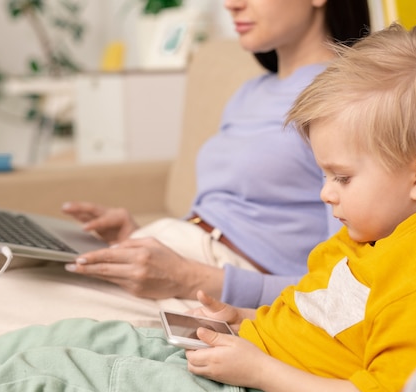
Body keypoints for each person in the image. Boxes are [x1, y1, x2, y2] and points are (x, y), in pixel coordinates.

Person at [0, 14, 416, 392]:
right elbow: (326, 317)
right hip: (239, 356)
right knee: (84, 339)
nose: (326, 194)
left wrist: (258, 368)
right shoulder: (368, 235)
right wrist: (246, 318)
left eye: (340, 177)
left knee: (55, 385)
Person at [60, 0, 371, 308]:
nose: (231, 4)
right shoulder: (249, 92)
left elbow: (344, 284)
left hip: (216, 286)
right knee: (20, 272)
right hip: (181, 254)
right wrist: (137, 236)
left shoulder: (346, 97)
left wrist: (187, 277)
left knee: (27, 301)